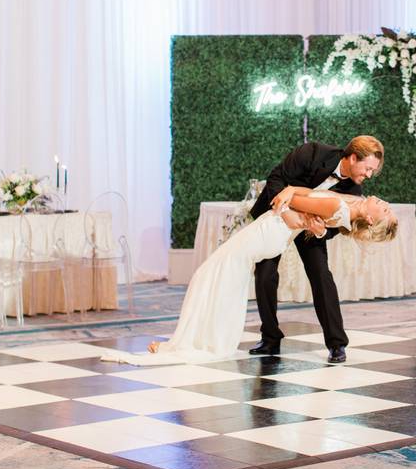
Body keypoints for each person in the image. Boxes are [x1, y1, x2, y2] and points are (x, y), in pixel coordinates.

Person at [101, 188, 397, 366]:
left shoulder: (338, 208)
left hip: (271, 231)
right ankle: (193, 341)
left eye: (384, 209)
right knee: (219, 280)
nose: (382, 200)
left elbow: (295, 201)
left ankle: (188, 344)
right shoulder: (347, 208)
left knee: (210, 275)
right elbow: (303, 207)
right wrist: (305, 217)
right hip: (273, 232)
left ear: (371, 219)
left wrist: (291, 205)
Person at [248, 136, 385, 363]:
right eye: (368, 168)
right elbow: (276, 178)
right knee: (265, 274)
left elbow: (339, 225)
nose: (369, 175)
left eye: (373, 171)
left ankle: (337, 343)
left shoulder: (354, 190)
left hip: (309, 228)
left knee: (321, 275)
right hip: (277, 214)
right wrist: (285, 213)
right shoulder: (312, 153)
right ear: (353, 158)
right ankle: (270, 337)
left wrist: (321, 231)